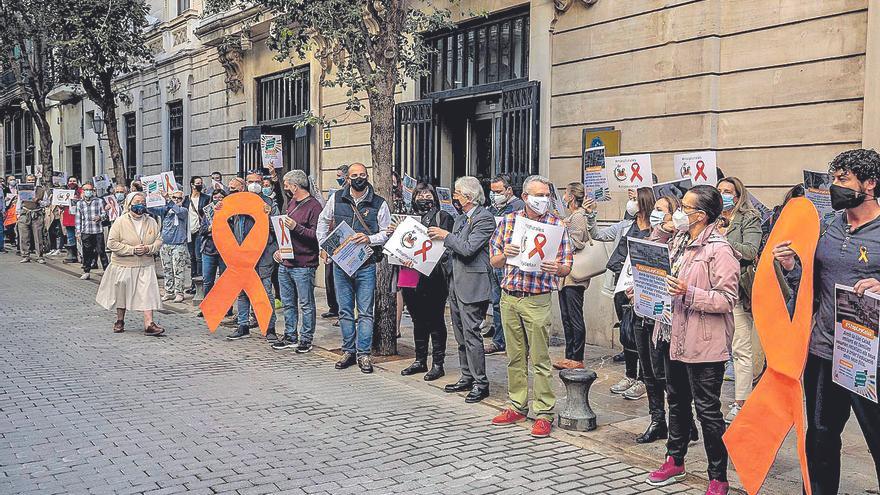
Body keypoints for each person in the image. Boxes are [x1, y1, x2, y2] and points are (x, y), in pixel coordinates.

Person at [773, 149, 880, 495]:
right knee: (820, 435)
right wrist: (792, 267)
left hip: (870, 355)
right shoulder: (830, 227)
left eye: (843, 179)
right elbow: (810, 284)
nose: (835, 185)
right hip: (824, 349)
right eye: (834, 178)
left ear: (870, 184)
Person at [646, 186, 739, 495]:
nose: (678, 214)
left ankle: (718, 476)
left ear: (700, 215)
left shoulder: (719, 249)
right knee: (677, 400)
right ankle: (675, 459)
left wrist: (689, 292)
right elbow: (651, 257)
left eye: (684, 208)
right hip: (672, 334)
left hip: (705, 342)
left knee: (708, 410)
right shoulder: (678, 241)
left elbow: (727, 299)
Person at [488, 174, 574, 438]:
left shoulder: (556, 225)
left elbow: (566, 266)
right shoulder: (509, 222)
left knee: (540, 358)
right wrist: (506, 255)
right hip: (510, 297)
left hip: (537, 298)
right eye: (539, 195)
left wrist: (557, 268)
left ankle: (545, 411)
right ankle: (517, 404)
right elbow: (494, 260)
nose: (544, 200)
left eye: (547, 195)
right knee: (514, 356)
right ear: (525, 197)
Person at [316, 163, 390, 373]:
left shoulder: (379, 203)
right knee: (345, 310)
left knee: (366, 312)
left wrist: (369, 238)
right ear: (347, 178)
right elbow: (323, 221)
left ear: (367, 176)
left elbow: (386, 232)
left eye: (363, 175)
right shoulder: (337, 198)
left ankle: (364, 354)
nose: (359, 178)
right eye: (354, 175)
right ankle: (348, 350)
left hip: (366, 265)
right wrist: (324, 245)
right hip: (341, 264)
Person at [428, 176, 495, 403]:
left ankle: (480, 382)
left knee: (472, 334)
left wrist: (445, 237)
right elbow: (451, 251)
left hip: (473, 285)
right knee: (460, 334)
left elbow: (467, 249)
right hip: (455, 283)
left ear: (468, 196)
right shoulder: (460, 219)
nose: (454, 197)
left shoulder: (484, 218)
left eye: (457, 193)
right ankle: (466, 375)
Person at [589, 188, 658, 400]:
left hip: (643, 289)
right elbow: (597, 234)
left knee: (642, 336)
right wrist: (591, 215)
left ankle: (643, 379)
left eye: (634, 199)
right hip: (622, 285)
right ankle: (629, 374)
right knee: (627, 332)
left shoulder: (657, 229)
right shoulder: (626, 225)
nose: (631, 203)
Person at [630, 194, 682, 445]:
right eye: (656, 210)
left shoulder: (681, 241)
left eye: (663, 210)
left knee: (667, 376)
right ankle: (657, 420)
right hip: (643, 312)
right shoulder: (649, 237)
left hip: (666, 318)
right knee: (649, 373)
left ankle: (681, 423)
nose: (657, 214)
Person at [393, 182, 454, 381]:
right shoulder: (407, 219)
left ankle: (438, 363)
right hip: (410, 274)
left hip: (434, 276)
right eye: (420, 194)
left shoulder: (443, 217)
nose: (424, 198)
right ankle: (420, 359)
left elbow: (448, 246)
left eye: (428, 194)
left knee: (435, 319)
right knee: (417, 318)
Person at [715, 177, 764, 423]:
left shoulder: (748, 218)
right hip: (712, 290)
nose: (723, 194)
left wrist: (723, 237)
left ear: (737, 196)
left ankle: (741, 401)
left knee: (740, 348)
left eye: (728, 191)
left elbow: (750, 251)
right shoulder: (710, 218)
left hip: (737, 292)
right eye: (719, 190)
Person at [95, 192, 166, 336]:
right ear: (129, 204)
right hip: (124, 264)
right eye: (137, 201)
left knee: (148, 293)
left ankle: (149, 324)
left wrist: (148, 248)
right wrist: (131, 250)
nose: (141, 204)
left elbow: (159, 240)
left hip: (145, 263)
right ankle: (120, 320)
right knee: (122, 293)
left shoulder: (151, 221)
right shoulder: (120, 221)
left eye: (143, 202)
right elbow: (112, 243)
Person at [271, 170, 322, 353]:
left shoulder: (314, 206)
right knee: (288, 302)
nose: (285, 187)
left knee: (306, 303)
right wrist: (280, 250)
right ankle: (290, 335)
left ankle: (306, 339)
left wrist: (296, 227)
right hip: (287, 262)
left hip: (304, 263)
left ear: (295, 185)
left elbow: (317, 236)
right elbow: (284, 232)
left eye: (286, 184)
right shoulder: (291, 202)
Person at [226, 173, 281, 341]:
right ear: (245, 185)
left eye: (258, 182)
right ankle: (243, 325)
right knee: (242, 291)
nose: (255, 184)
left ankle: (269, 327)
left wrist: (266, 214)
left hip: (263, 255)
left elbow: (276, 228)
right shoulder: (235, 203)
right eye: (251, 182)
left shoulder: (270, 203)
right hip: (241, 256)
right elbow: (225, 225)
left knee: (264, 291)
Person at [485, 173, 526, 355]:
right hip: (495, 259)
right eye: (492, 191)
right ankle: (499, 340)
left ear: (509, 190)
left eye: (498, 191)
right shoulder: (492, 209)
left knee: (511, 304)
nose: (494, 195)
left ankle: (514, 342)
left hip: (511, 263)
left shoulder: (518, 208)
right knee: (497, 303)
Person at [554, 182, 591, 370]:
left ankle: (577, 357)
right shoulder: (572, 216)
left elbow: (577, 242)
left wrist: (562, 229)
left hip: (574, 276)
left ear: (571, 196)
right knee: (566, 316)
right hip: (565, 276)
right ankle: (569, 356)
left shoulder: (578, 216)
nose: (564, 195)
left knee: (574, 317)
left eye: (566, 192)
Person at [321, 164, 349, 321]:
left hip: (346, 240)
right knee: (329, 276)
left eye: (340, 175)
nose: (338, 178)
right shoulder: (335, 196)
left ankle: (344, 313)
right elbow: (325, 219)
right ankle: (334, 307)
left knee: (343, 281)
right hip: (333, 237)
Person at [150, 190, 189, 303]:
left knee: (178, 270)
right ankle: (169, 291)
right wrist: (150, 198)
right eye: (174, 198)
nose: (176, 200)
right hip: (165, 244)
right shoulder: (166, 209)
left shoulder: (183, 210)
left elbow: (179, 211)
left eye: (179, 198)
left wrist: (168, 199)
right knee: (167, 269)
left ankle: (179, 292)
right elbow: (151, 209)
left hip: (178, 245)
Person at [75, 183, 109, 280]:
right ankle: (86, 271)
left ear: (93, 191)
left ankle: (106, 270)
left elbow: (104, 214)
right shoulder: (80, 203)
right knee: (87, 252)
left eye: (90, 190)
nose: (88, 192)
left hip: (97, 230)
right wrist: (78, 232)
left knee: (101, 250)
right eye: (86, 190)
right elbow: (78, 219)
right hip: (86, 231)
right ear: (83, 191)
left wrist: (100, 217)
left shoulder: (99, 201)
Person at [184, 176, 209, 295]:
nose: (200, 185)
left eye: (201, 183)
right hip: (189, 231)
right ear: (192, 185)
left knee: (199, 258)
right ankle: (193, 284)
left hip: (199, 231)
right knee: (192, 258)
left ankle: (200, 283)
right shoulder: (186, 199)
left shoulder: (206, 198)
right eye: (198, 183)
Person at [200, 188, 226, 300]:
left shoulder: (229, 212)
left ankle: (226, 308)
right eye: (215, 198)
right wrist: (210, 228)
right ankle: (208, 307)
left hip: (224, 251)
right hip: (209, 250)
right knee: (207, 281)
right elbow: (202, 230)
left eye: (221, 197)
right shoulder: (208, 212)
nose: (218, 200)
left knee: (224, 280)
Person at [17, 174, 47, 264]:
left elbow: (47, 203)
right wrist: (18, 215)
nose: (31, 181)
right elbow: (19, 202)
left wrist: (38, 201)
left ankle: (40, 256)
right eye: (29, 180)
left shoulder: (41, 190)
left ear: (35, 180)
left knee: (38, 236)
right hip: (25, 213)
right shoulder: (22, 189)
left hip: (37, 214)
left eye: (32, 180)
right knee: (24, 236)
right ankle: (25, 255)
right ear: (26, 180)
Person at [61, 177, 81, 263]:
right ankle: (72, 255)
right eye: (70, 181)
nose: (72, 182)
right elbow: (60, 204)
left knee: (80, 237)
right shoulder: (64, 192)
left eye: (74, 181)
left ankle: (81, 255)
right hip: (68, 217)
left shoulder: (81, 191)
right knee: (70, 237)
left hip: (78, 217)